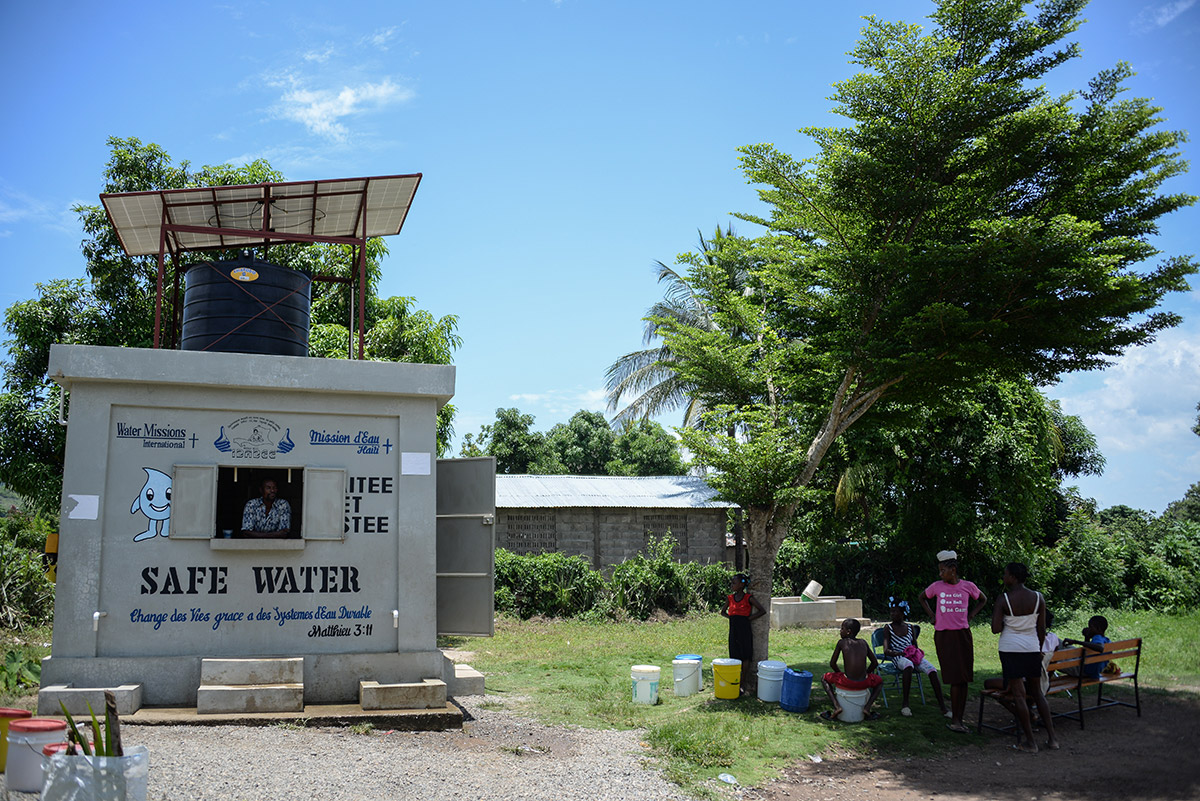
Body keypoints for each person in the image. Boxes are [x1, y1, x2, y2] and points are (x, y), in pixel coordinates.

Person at [989, 562, 1059, 753]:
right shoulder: (1038, 598)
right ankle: (1052, 739)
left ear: (1012, 577)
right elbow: (1041, 628)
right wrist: (1037, 647)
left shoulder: (1004, 599)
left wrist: (1007, 622)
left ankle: (1030, 742)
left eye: (1005, 574)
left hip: (1010, 649)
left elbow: (995, 629)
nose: (1004, 577)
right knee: (1037, 692)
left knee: (1019, 694)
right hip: (1032, 648)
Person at [920, 549, 987, 733]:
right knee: (954, 678)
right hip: (944, 636)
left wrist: (972, 613)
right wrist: (932, 616)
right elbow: (922, 597)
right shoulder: (937, 586)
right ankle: (957, 719)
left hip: (962, 635)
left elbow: (982, 599)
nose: (940, 574)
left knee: (963, 678)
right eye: (940, 571)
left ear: (953, 570)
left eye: (943, 570)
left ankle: (959, 719)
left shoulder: (968, 586)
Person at [881, 599, 948, 717]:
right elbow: (886, 650)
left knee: (932, 670)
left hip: (912, 655)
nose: (892, 614)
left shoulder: (910, 627)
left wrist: (916, 654)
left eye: (895, 612)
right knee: (908, 665)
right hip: (898, 657)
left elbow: (915, 645)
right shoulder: (888, 628)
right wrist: (897, 653)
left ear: (903, 613)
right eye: (891, 612)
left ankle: (943, 706)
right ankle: (905, 704)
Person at [820, 617, 883, 721]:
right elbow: (874, 663)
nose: (840, 631)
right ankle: (867, 708)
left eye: (842, 629)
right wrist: (866, 674)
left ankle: (837, 706)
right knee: (879, 682)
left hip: (847, 681)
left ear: (848, 632)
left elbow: (832, 663)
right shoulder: (863, 642)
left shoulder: (842, 642)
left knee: (824, 678)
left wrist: (839, 674)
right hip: (864, 681)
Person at [720, 573, 766, 690]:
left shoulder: (748, 598)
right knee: (734, 654)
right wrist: (732, 618)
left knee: (745, 655)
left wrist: (747, 619)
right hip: (734, 629)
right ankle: (734, 679)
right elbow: (723, 612)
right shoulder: (730, 598)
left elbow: (762, 610)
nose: (732, 585)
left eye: (734, 583)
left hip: (745, 629)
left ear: (741, 585)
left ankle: (743, 682)